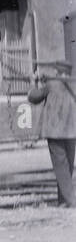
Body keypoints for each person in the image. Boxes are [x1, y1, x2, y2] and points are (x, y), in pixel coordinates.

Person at [28, 59, 76, 208]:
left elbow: (34, 97)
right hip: (72, 131)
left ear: (57, 71)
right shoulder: (73, 84)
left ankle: (71, 201)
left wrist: (32, 82)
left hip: (55, 131)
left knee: (61, 167)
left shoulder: (51, 84)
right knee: (67, 166)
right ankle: (63, 200)